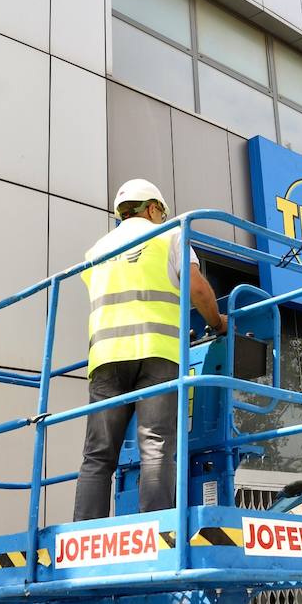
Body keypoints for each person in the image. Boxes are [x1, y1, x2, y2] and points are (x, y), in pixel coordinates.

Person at [72, 178, 226, 521]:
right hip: (157, 352)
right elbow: (197, 290)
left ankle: (84, 532)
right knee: (156, 445)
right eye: (160, 212)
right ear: (153, 208)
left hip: (106, 358)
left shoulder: (96, 251)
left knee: (98, 454)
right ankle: (157, 529)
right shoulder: (171, 234)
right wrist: (218, 323)